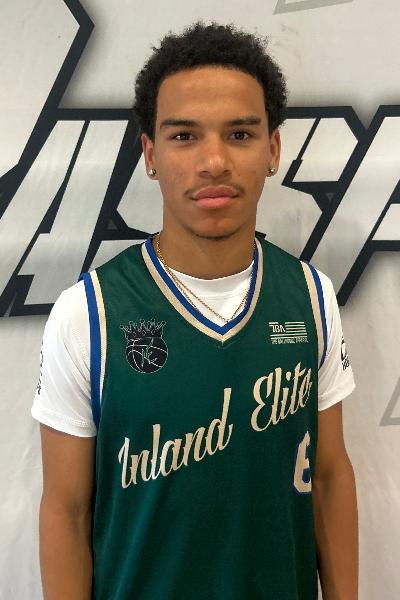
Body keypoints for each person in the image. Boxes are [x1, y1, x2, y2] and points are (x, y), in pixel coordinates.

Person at [32, 22, 358, 600]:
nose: (213, 161)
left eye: (239, 133)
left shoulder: (311, 296)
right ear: (150, 154)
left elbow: (329, 476)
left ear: (273, 150)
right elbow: (66, 510)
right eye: (184, 136)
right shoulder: (88, 313)